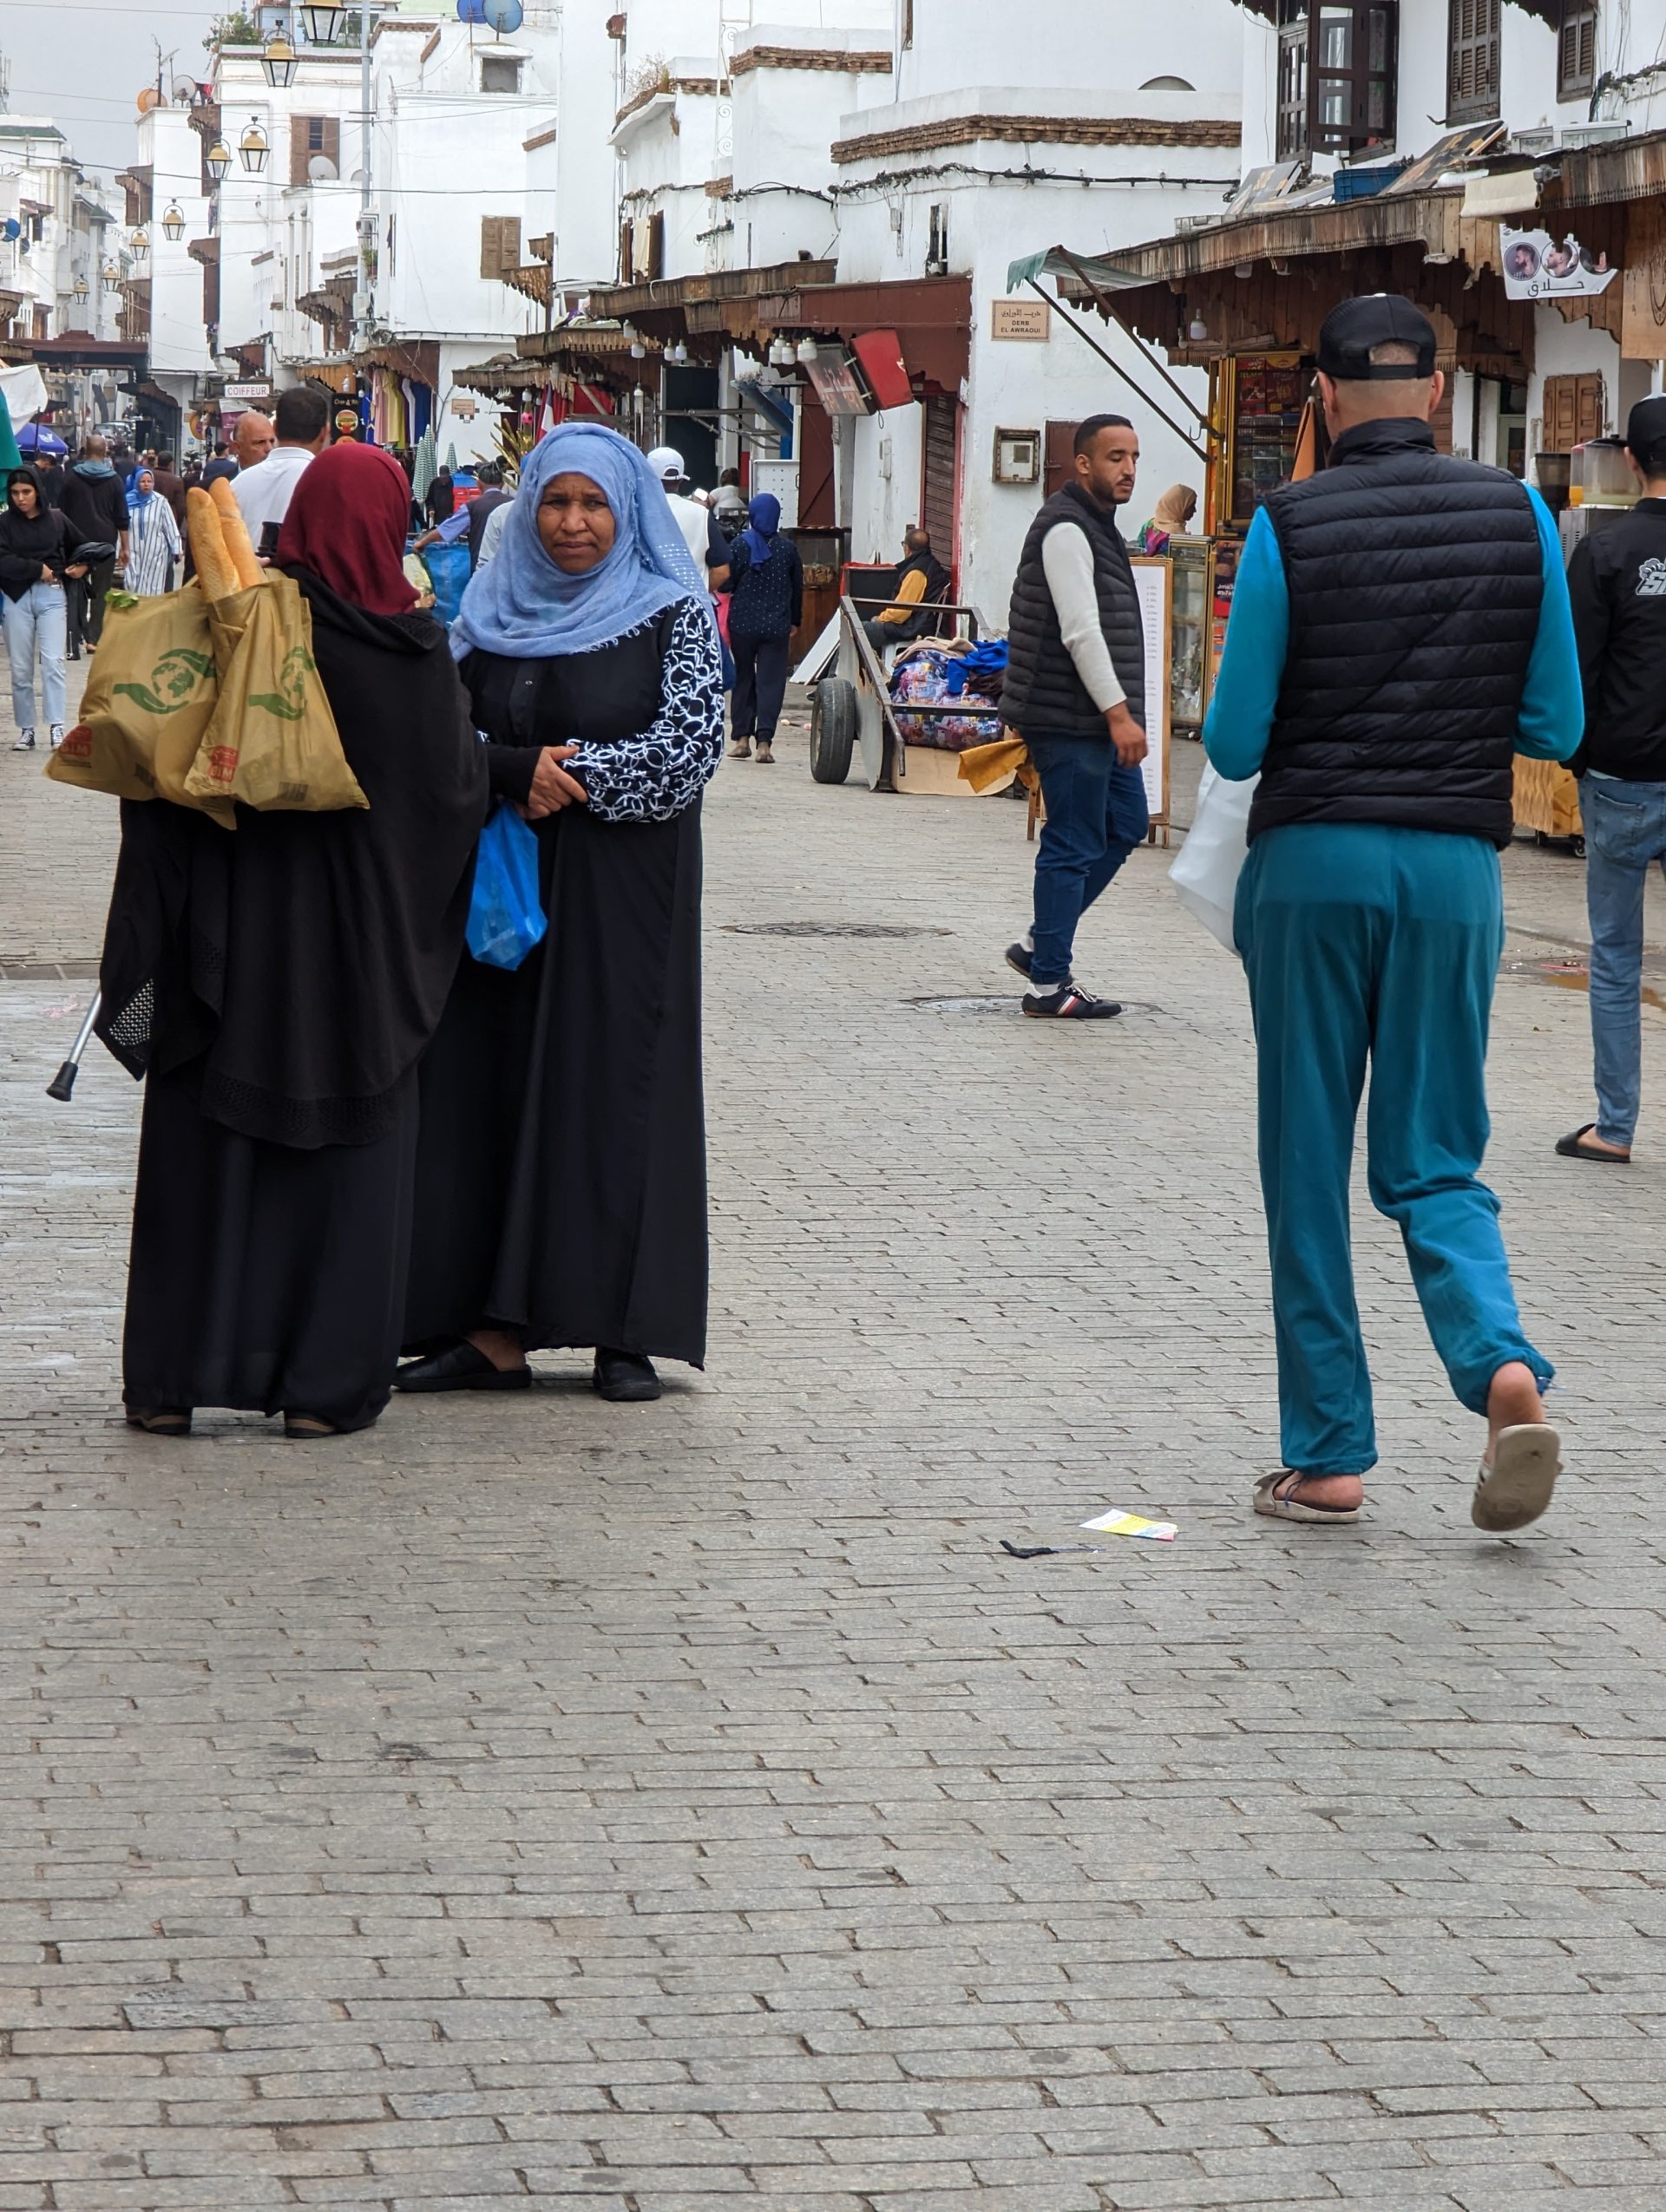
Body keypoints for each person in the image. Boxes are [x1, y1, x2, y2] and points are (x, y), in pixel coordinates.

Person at [1202, 292, 1583, 1534]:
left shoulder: (1288, 523)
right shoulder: (1521, 514)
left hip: (1314, 867)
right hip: (1456, 878)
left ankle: (1328, 1455)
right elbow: (1558, 727)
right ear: (1434, 392)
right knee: (1433, 1155)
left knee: (1307, 1159)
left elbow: (1238, 734)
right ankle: (1504, 1372)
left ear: (1319, 396)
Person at [95, 441, 489, 1439]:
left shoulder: (244, 626)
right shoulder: (409, 655)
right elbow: (451, 796)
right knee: (342, 1174)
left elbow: (163, 774)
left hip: (225, 953)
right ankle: (320, 1391)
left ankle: (168, 1383)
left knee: (205, 1165)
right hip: (356, 967)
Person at [395, 423, 725, 1406]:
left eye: (593, 505)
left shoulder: (671, 614)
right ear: (528, 507)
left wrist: (564, 775)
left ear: (628, 512)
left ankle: (624, 1331)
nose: (573, 524)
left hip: (625, 894)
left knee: (612, 1094)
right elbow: (438, 740)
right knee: (491, 1097)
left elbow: (688, 752)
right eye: (556, 502)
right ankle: (492, 1334)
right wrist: (508, 771)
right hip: (502, 892)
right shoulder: (486, 616)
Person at [998, 414, 1149, 1019]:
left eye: (1135, 457)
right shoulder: (1066, 527)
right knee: (1072, 841)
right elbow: (1081, 630)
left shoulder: (1100, 525)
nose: (1129, 469)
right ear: (1082, 463)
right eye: (1115, 457)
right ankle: (1047, 986)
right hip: (1068, 716)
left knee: (1126, 823)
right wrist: (1119, 714)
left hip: (1089, 716)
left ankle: (1040, 945)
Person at [1557, 393, 1666, 1168]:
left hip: (1623, 775)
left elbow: (1575, 674)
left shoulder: (1603, 551)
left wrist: (1576, 758)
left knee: (1617, 956)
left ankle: (1616, 1127)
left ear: (1631, 460)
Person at [0, 466, 85, 751]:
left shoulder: (57, 520)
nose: (21, 498)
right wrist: (38, 569)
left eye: (26, 492)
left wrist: (81, 566)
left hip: (51, 596)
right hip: (16, 597)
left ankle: (57, 725)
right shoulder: (4, 524)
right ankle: (27, 729)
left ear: (37, 491)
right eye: (15, 493)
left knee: (53, 663)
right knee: (21, 668)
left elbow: (85, 547)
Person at [724, 491, 803, 764]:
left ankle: (741, 740)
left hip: (743, 625)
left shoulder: (739, 545)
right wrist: (795, 621)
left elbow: (726, 583)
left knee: (743, 679)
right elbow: (797, 589)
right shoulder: (788, 549)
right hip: (776, 626)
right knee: (771, 683)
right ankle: (765, 745)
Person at [233, 383, 331, 555]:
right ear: (325, 432)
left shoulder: (237, 485)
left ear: (275, 428)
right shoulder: (330, 483)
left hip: (250, 580)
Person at [57, 433, 129, 656]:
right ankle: (94, 639)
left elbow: (61, 512)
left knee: (76, 586)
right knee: (101, 589)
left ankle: (76, 634)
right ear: (105, 452)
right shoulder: (114, 480)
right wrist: (125, 547)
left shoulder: (71, 477)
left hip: (76, 540)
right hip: (105, 541)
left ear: (85, 451)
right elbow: (121, 516)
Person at [861, 526, 949, 656]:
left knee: (859, 629)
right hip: (919, 623)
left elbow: (900, 612)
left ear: (907, 548)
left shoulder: (917, 572)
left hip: (912, 627)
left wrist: (879, 618)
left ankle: (835, 673)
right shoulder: (930, 564)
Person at [646, 446, 729, 583]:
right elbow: (722, 572)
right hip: (691, 600)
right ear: (681, 480)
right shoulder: (701, 514)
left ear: (648, 477)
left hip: (648, 602)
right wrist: (700, 594)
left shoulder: (636, 512)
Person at [122, 467, 182, 595]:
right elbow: (121, 527)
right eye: (142, 482)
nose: (146, 485)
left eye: (149, 482)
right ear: (136, 482)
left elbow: (170, 526)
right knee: (131, 584)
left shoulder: (160, 502)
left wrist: (177, 549)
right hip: (133, 550)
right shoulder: (127, 501)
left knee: (153, 588)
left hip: (155, 552)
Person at [1135, 483, 1198, 555]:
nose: (1194, 510)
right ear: (1178, 506)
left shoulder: (1148, 526)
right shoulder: (1178, 538)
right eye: (1191, 506)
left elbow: (1137, 554)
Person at [150, 448, 187, 528]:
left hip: (150, 516)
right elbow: (180, 508)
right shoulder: (176, 481)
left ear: (157, 462)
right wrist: (178, 524)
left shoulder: (149, 476)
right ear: (171, 464)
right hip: (169, 520)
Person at [712, 465, 747, 539]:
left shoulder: (719, 491)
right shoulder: (744, 491)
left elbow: (708, 502)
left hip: (720, 522)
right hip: (739, 521)